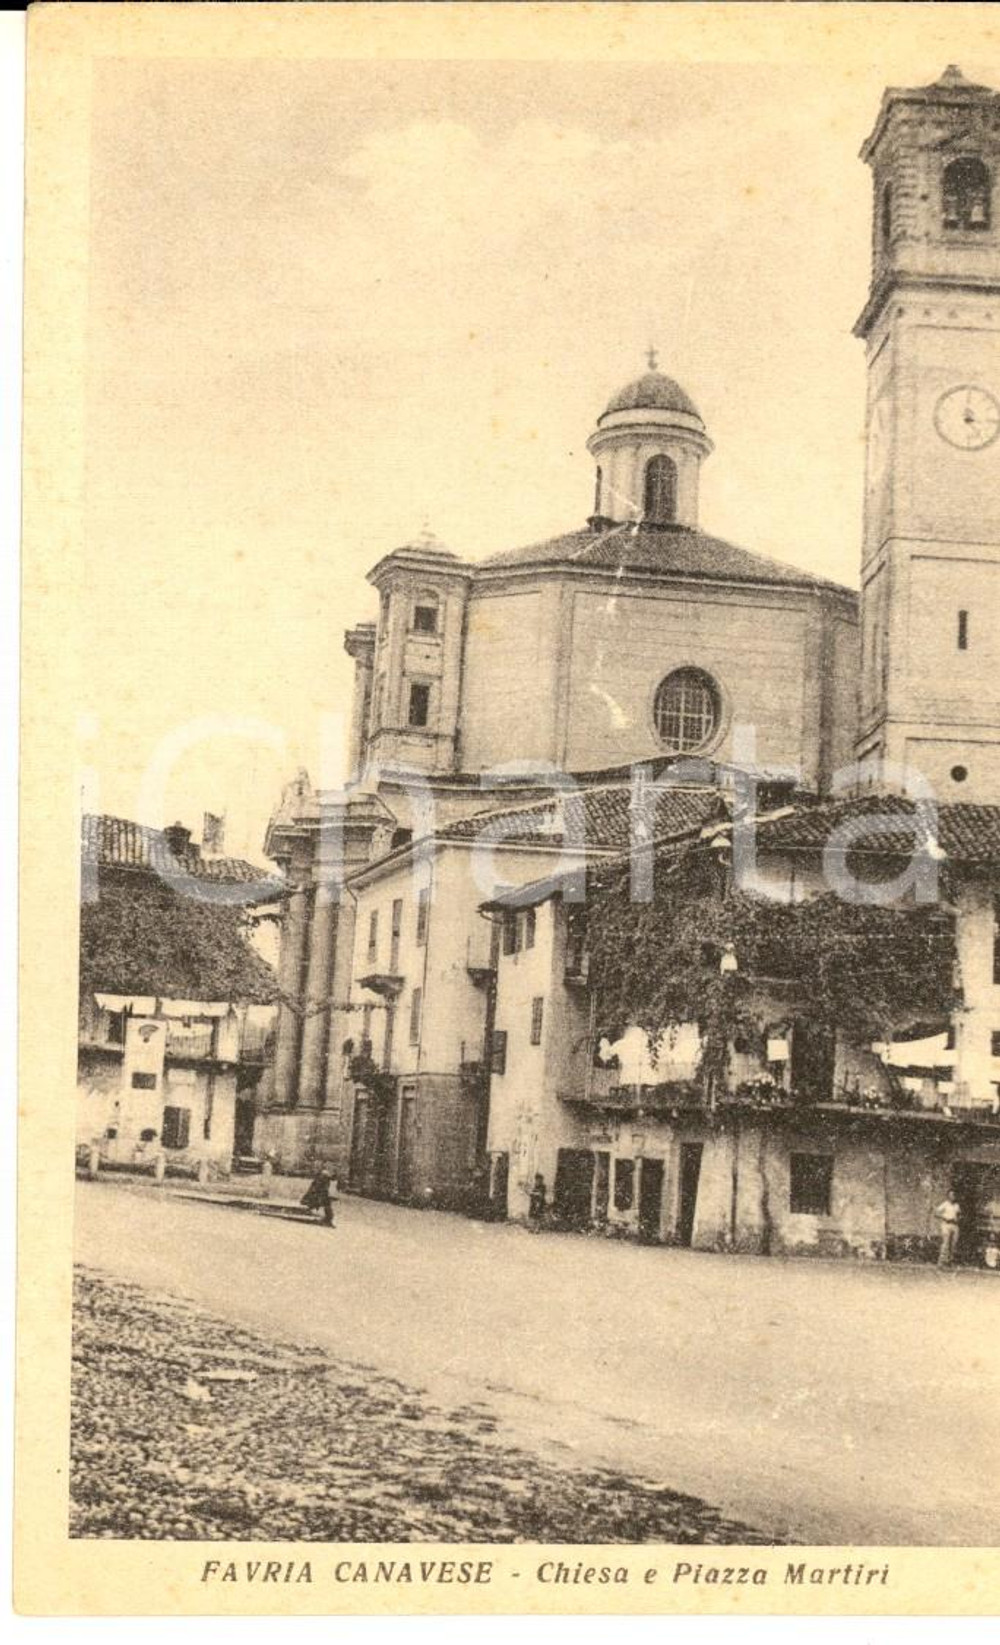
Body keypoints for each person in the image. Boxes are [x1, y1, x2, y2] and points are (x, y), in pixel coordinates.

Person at [934, 1188, 961, 1267]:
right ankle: (941, 1262)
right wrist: (944, 1217)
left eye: (954, 1195)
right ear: (948, 1196)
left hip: (955, 1225)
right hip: (946, 1224)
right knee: (945, 1243)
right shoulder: (945, 1204)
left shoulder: (957, 1205)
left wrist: (958, 1218)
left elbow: (959, 1214)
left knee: (953, 1244)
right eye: (951, 1195)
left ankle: (950, 1261)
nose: (953, 1197)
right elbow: (936, 1213)